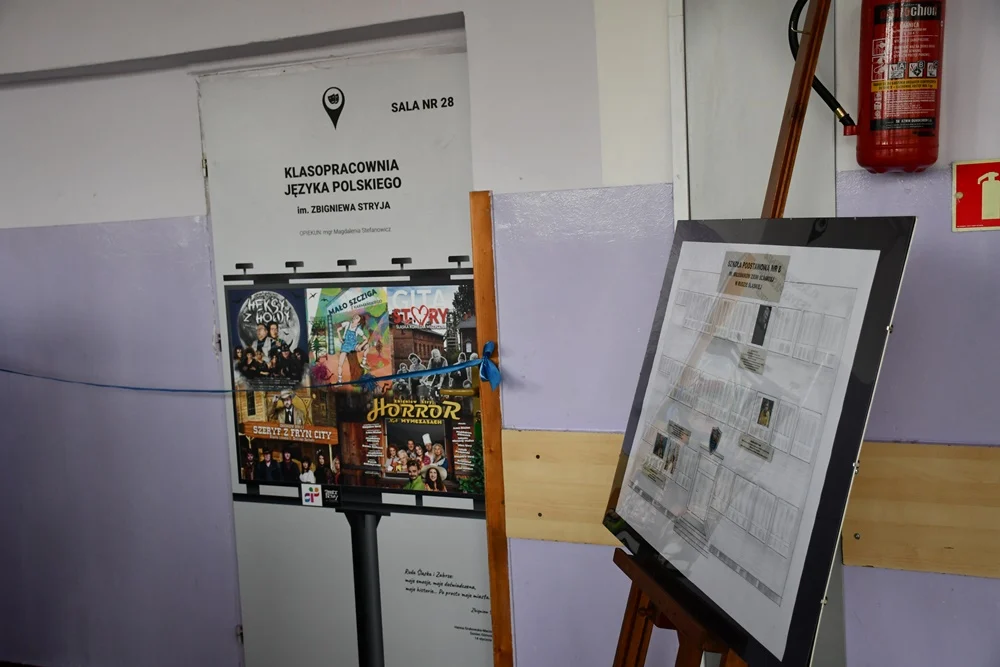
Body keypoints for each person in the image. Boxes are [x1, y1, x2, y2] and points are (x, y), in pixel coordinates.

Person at [337, 313, 370, 383]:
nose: (355, 317)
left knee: (367, 346)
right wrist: (340, 338)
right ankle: (339, 380)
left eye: (357, 318)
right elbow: (338, 329)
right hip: (345, 346)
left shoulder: (358, 330)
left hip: (354, 345)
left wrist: (360, 346)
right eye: (355, 316)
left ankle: (363, 362)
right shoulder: (347, 324)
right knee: (340, 364)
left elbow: (366, 339)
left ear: (358, 323)